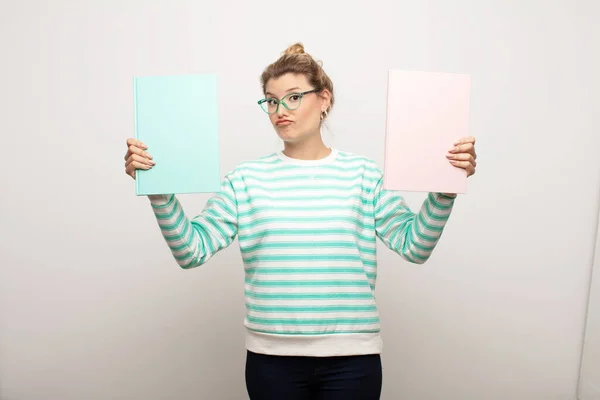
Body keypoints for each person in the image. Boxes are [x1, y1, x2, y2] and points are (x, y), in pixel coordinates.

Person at [123, 43, 477, 400]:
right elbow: (191, 251)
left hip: (352, 360)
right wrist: (158, 189)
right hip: (271, 361)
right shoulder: (245, 179)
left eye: (294, 97)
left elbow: (414, 247)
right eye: (272, 100)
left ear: (324, 100)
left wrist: (445, 188)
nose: (280, 110)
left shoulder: (363, 175)